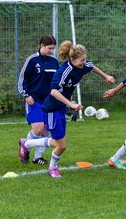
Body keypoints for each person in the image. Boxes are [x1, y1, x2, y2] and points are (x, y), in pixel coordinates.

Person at [18, 41, 114, 178]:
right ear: (72, 59)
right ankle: (52, 168)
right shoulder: (64, 71)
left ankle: (26, 143)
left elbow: (91, 67)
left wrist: (106, 76)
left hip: (60, 108)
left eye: (85, 59)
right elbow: (53, 92)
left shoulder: (83, 65)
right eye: (81, 60)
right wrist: (71, 104)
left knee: (58, 142)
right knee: (61, 144)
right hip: (52, 109)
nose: (84, 62)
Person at [18, 35, 60, 165]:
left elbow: (57, 81)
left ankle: (38, 157)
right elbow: (22, 80)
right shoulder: (32, 60)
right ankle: (24, 145)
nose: (52, 51)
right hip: (34, 100)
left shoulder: (54, 61)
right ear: (41, 45)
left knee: (47, 129)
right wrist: (26, 95)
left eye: (53, 48)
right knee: (38, 129)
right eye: (49, 48)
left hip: (49, 101)